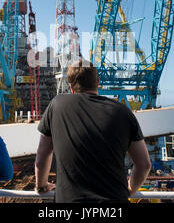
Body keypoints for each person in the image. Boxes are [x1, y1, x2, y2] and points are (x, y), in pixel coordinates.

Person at [35, 60, 151, 203]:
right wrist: (130, 190)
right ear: (97, 82)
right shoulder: (122, 111)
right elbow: (144, 164)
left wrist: (41, 186)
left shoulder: (57, 104)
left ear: (71, 87)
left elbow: (42, 154)